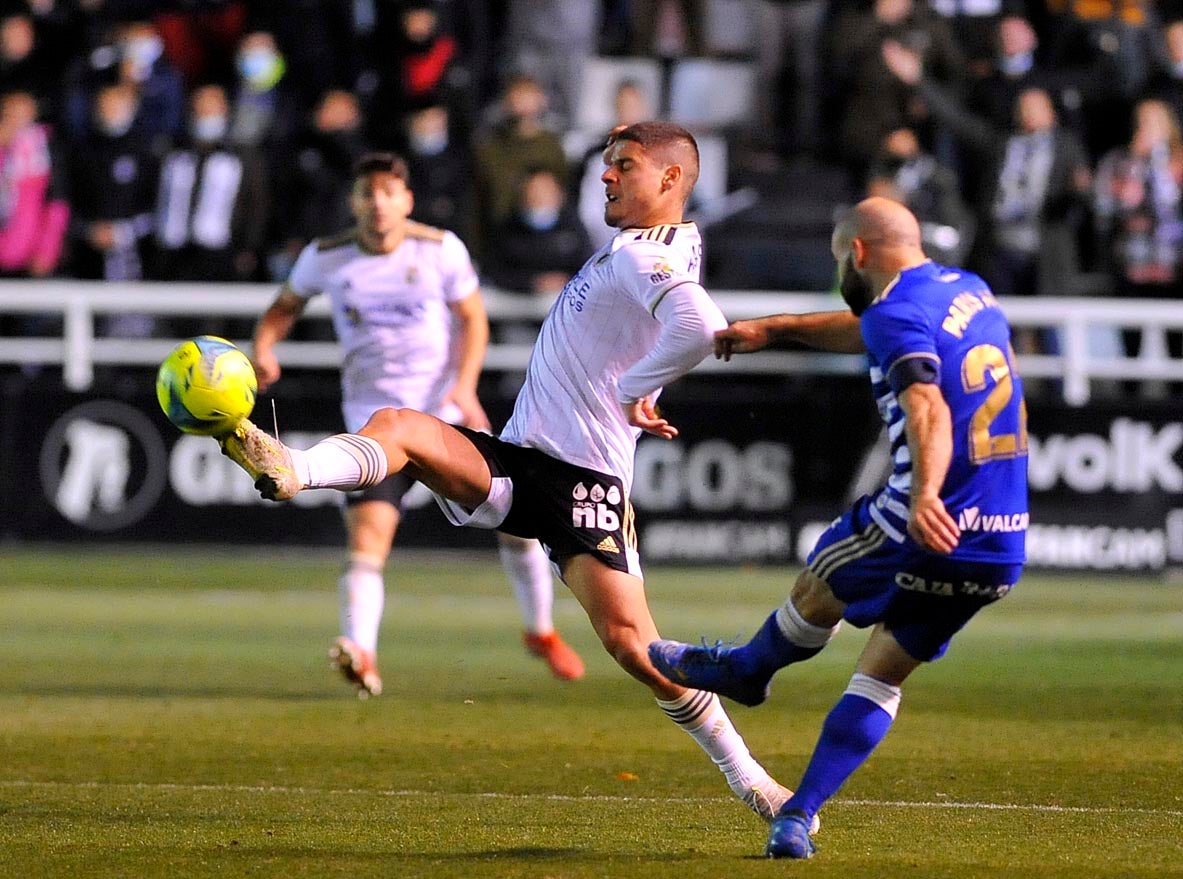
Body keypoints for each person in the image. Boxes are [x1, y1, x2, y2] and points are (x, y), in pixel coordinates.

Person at [217, 122, 800, 824]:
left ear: (671, 180)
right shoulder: (645, 247)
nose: (607, 177)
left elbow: (700, 328)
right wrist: (640, 383)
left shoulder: (644, 255)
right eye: (607, 165)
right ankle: (293, 468)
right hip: (520, 458)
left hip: (580, 482)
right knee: (400, 425)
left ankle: (751, 780)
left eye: (625, 165)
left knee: (634, 646)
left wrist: (631, 389)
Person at [649, 196, 1028, 859]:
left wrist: (925, 496)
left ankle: (747, 669)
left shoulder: (892, 312)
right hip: (999, 541)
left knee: (819, 579)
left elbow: (926, 405)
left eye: (836, 259)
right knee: (881, 673)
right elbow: (868, 329)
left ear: (858, 253)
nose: (839, 273)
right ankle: (795, 816)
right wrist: (776, 328)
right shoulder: (965, 289)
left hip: (923, 515)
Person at [248, 151, 584, 695]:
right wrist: (264, 348)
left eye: (388, 193)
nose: (378, 205)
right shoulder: (327, 257)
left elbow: (473, 318)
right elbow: (284, 306)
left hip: (442, 421)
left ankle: (540, 630)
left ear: (406, 200)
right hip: (376, 429)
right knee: (368, 544)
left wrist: (464, 385)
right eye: (367, 193)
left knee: (519, 525)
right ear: (354, 201)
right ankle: (361, 652)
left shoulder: (439, 250)